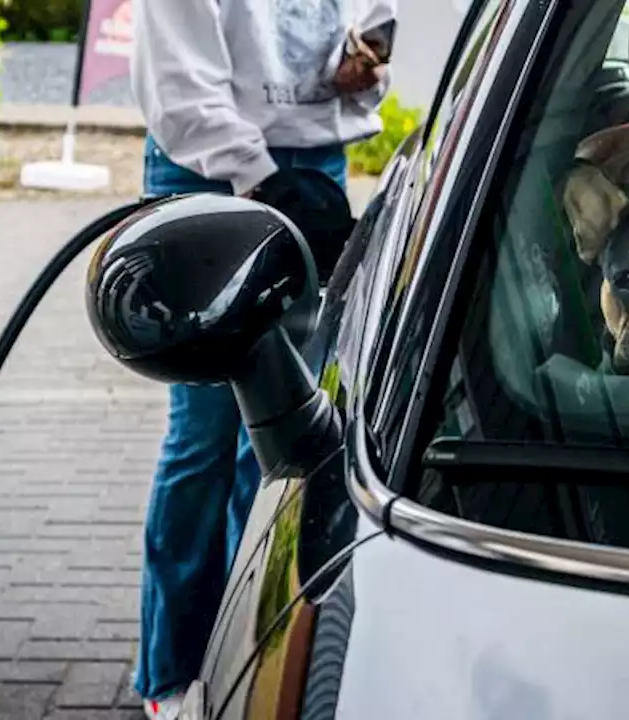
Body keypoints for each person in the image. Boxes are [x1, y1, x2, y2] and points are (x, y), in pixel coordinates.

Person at [128, 0, 395, 717]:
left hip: (313, 167)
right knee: (208, 435)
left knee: (285, 434)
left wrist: (360, 66)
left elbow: (366, 35)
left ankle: (259, 651)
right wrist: (264, 181)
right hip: (209, 170)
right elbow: (181, 92)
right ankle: (174, 673)